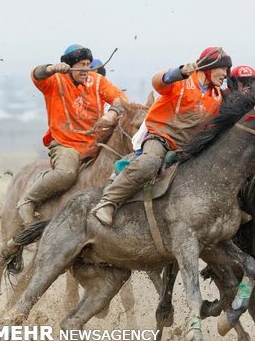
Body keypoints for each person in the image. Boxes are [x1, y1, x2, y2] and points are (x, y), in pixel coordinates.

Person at [92, 47, 232, 226]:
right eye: (223, 69)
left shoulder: (217, 96)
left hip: (186, 147)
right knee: (149, 164)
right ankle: (107, 203)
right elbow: (159, 82)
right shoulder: (183, 80)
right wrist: (178, 72)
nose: (225, 74)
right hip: (160, 137)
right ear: (210, 66)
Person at [17, 44, 129, 225]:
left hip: (96, 141)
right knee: (66, 173)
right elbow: (36, 75)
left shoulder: (97, 80)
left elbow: (120, 98)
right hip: (66, 143)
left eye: (88, 64)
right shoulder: (54, 81)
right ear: (69, 65)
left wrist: (112, 113)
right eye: (81, 65)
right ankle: (28, 200)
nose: (86, 69)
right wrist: (50, 68)